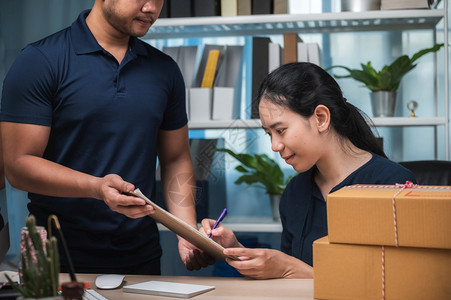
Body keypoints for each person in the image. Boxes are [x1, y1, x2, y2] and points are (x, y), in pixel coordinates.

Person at [1, 0, 214, 274]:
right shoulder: (39, 61)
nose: (151, 8)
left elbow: (175, 158)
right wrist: (96, 188)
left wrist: (186, 230)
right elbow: (18, 166)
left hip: (141, 256)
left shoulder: (165, 70)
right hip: (55, 258)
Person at [201, 62, 416, 279]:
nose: (275, 146)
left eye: (280, 130)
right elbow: (285, 281)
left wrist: (290, 268)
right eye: (269, 134)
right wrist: (235, 250)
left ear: (321, 118)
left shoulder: (392, 184)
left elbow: (395, 282)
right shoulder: (295, 191)